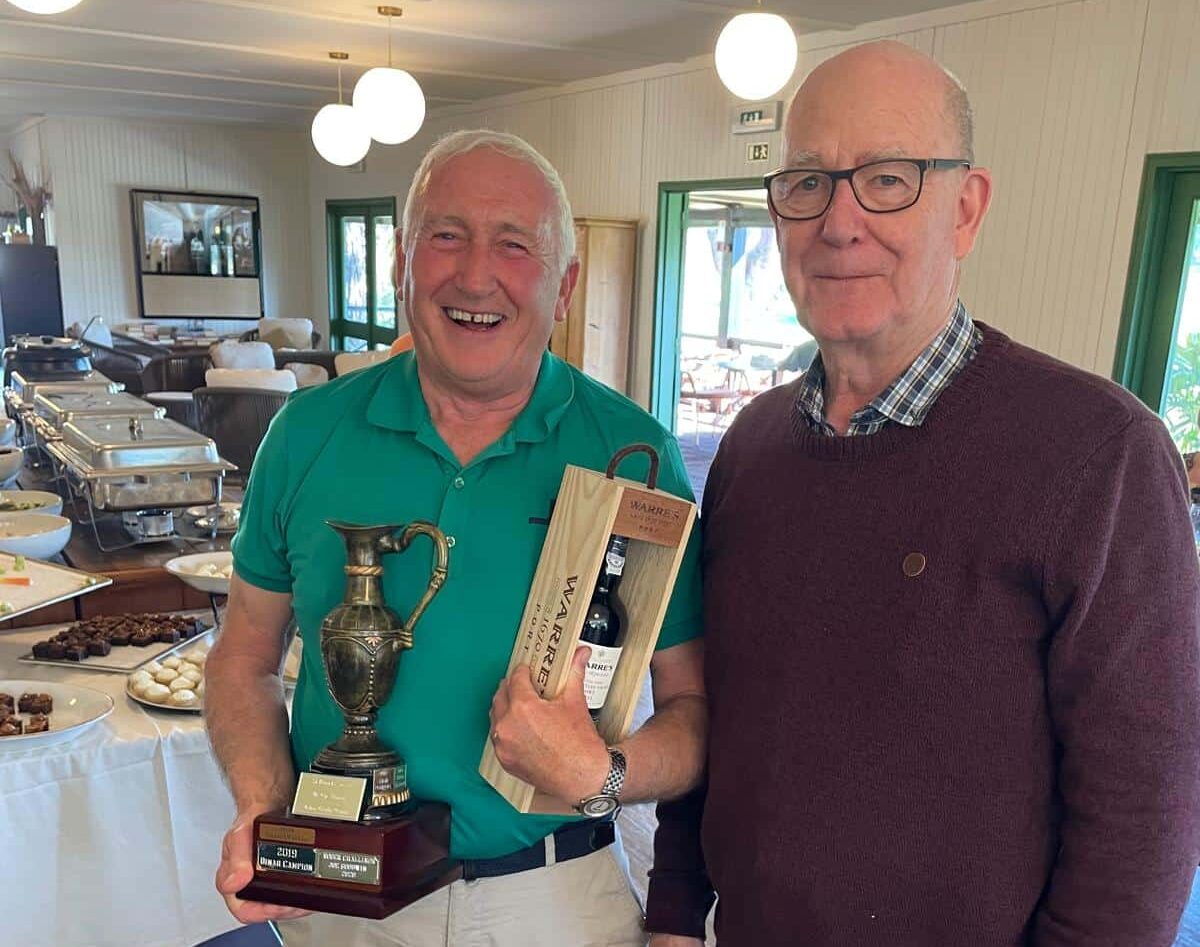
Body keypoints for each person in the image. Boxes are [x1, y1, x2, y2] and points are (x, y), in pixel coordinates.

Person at [645, 39, 1200, 947]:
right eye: (808, 183)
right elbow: (719, 711)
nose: (840, 220)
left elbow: (1143, 824)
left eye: (889, 178)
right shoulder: (752, 448)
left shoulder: (1102, 456)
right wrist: (674, 908)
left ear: (967, 209)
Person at [206, 129, 707, 946]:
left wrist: (605, 774)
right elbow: (243, 656)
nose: (476, 274)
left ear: (567, 284)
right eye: (447, 236)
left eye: (515, 244)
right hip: (341, 897)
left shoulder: (636, 456)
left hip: (553, 896)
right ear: (403, 260)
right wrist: (262, 804)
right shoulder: (305, 433)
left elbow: (695, 708)